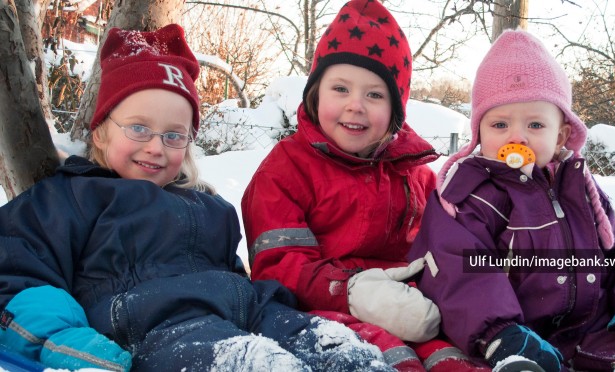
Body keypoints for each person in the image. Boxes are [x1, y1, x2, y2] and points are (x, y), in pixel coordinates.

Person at [0, 24, 392, 372]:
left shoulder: (209, 208)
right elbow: (17, 272)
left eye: (174, 135)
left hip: (244, 312)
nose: (156, 147)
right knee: (257, 365)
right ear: (100, 131)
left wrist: (279, 303)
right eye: (139, 128)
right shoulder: (70, 197)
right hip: (153, 326)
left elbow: (234, 279)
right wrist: (60, 339)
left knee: (344, 353)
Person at [242, 1, 489, 371]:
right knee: (388, 361)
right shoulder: (285, 169)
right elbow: (277, 263)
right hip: (322, 312)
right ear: (316, 94)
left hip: (412, 306)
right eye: (340, 88)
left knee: (454, 359)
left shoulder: (416, 176)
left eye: (374, 94)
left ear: (395, 110)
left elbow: (445, 249)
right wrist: (352, 292)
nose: (355, 105)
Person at [408, 28, 615, 372]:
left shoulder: (579, 190)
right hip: (513, 336)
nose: (516, 136)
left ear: (560, 134)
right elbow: (456, 267)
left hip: (590, 329)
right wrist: (498, 332)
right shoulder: (470, 196)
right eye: (500, 124)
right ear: (479, 133)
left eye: (534, 124)